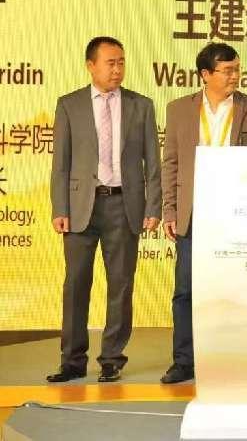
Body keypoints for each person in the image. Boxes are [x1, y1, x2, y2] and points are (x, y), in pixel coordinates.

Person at [48, 36, 161, 383]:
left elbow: (152, 163)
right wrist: (60, 207)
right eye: (111, 63)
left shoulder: (141, 106)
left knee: (121, 285)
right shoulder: (70, 105)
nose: (117, 69)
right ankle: (72, 360)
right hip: (80, 206)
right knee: (76, 284)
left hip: (124, 205)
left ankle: (112, 358)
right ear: (91, 65)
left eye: (121, 62)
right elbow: (61, 163)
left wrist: (153, 206)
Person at [160, 42, 247, 384]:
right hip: (193, 212)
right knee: (186, 291)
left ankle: (229, 357)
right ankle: (184, 360)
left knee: (233, 290)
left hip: (235, 213)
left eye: (237, 69)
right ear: (205, 74)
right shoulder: (179, 109)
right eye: (227, 70)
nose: (235, 76)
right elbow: (170, 163)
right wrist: (169, 209)